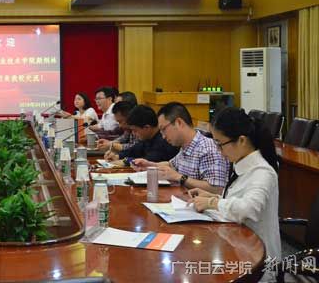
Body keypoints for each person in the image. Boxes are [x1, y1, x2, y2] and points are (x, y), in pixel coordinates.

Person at [188, 107, 280, 282]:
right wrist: (211, 197)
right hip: (237, 245)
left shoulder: (262, 172)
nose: (218, 150)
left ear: (242, 141)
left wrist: (212, 203)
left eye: (220, 143)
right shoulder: (240, 164)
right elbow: (236, 201)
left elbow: (248, 209)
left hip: (258, 263)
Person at [132, 102, 229, 194]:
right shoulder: (185, 146)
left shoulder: (208, 149)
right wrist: (150, 165)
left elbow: (217, 189)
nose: (163, 136)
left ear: (179, 122)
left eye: (164, 129)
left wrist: (179, 177)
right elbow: (171, 165)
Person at [107, 105, 179, 163]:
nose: (133, 134)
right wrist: (117, 156)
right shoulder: (148, 137)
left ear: (146, 127)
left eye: (135, 130)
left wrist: (125, 161)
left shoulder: (163, 140)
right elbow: (134, 150)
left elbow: (148, 161)